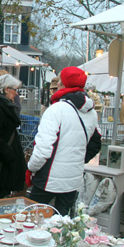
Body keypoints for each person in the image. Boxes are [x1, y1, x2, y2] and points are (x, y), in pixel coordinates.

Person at [27, 67, 101, 216]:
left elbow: (43, 150)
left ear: (63, 84)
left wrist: (31, 167)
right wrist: (77, 159)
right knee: (62, 222)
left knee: (31, 218)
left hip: (49, 178)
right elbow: (96, 144)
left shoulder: (56, 109)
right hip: (73, 178)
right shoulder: (91, 112)